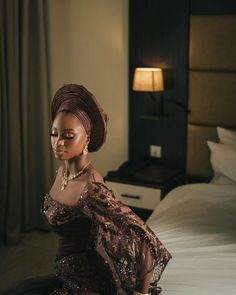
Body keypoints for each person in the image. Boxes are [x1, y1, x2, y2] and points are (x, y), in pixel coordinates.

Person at [1, 84, 171, 295]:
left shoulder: (90, 189)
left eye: (68, 136)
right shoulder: (62, 171)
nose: (58, 143)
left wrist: (142, 293)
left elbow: (147, 240)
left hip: (84, 286)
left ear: (87, 139)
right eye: (54, 134)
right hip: (65, 275)